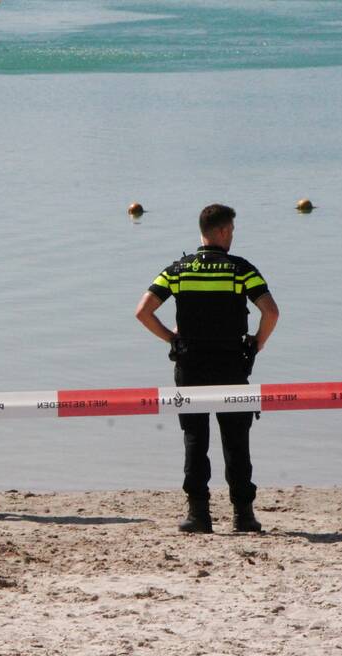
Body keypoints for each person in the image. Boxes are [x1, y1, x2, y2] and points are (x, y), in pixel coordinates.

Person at [135, 204, 279, 533]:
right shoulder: (240, 270)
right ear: (224, 231)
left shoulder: (177, 270)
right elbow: (271, 312)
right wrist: (258, 342)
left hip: (191, 365)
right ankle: (243, 515)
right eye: (232, 231)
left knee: (195, 439)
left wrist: (171, 338)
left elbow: (143, 311)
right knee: (236, 440)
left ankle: (198, 514)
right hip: (231, 365)